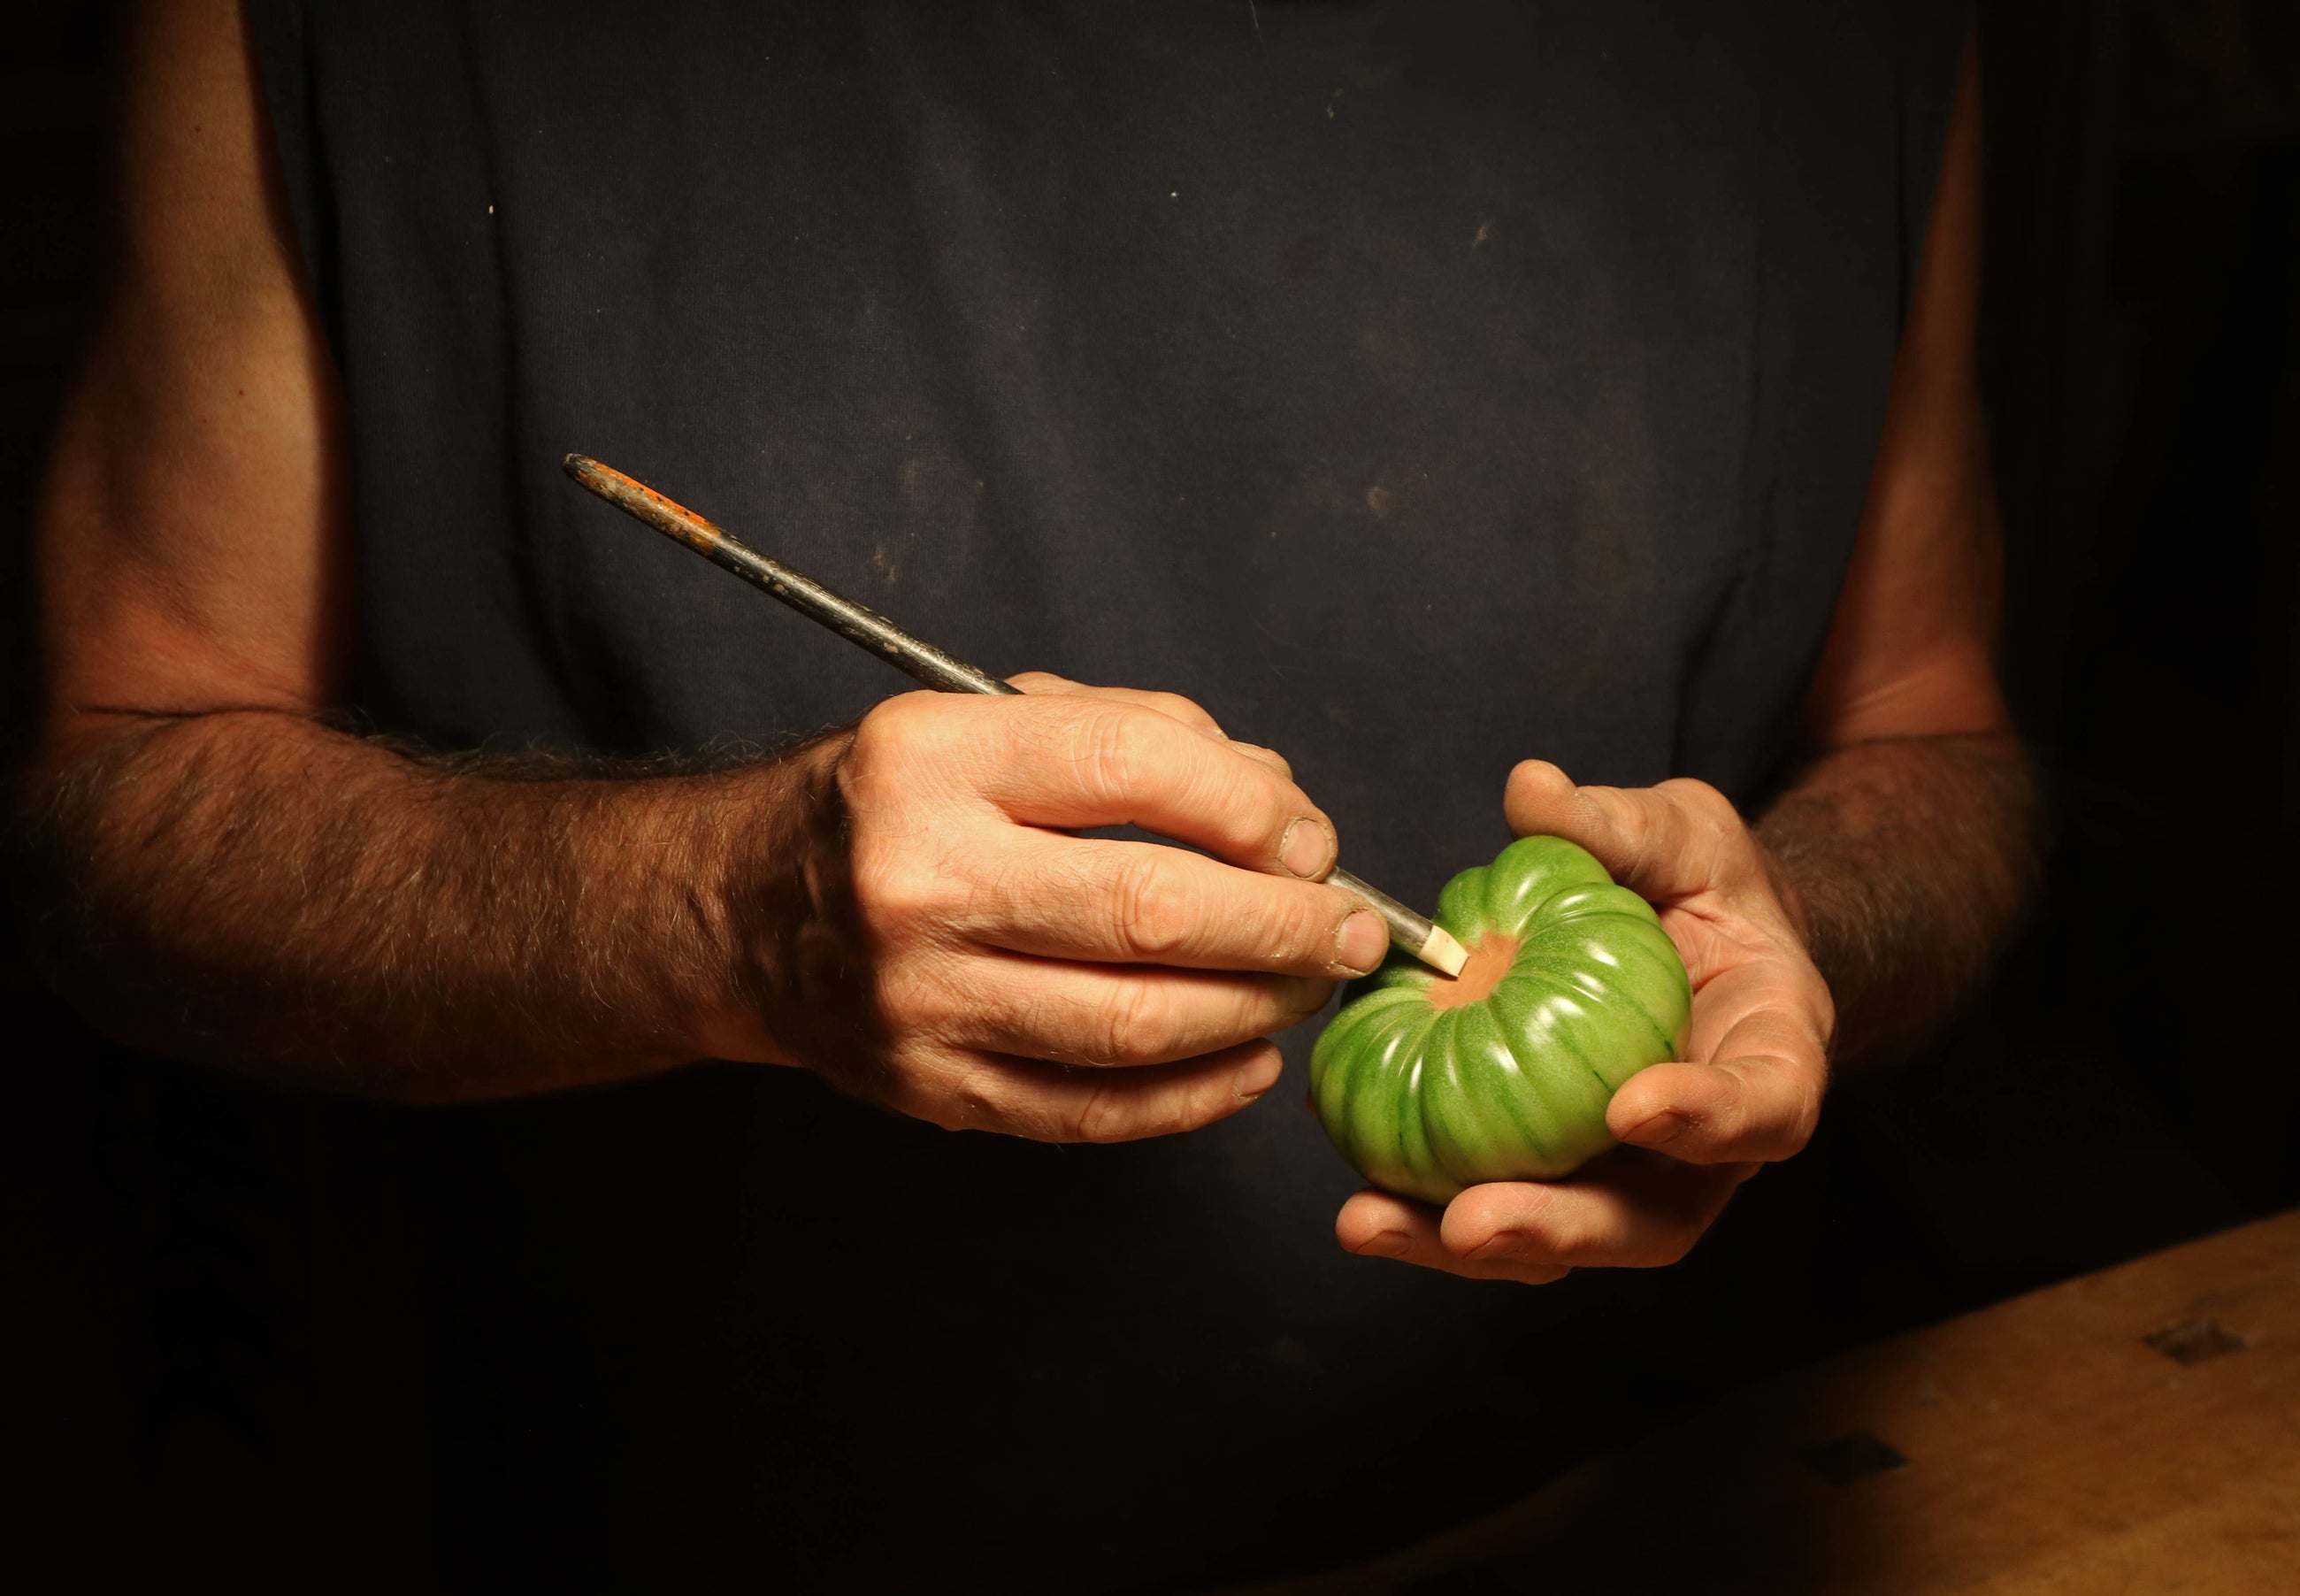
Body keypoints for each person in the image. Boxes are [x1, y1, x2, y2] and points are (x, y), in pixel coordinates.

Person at [17, 1, 2037, 1588]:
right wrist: (720, 917)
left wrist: (1789, 947)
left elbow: (1933, 729)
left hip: (1689, 1508)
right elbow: (118, 806)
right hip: (743, 1530)